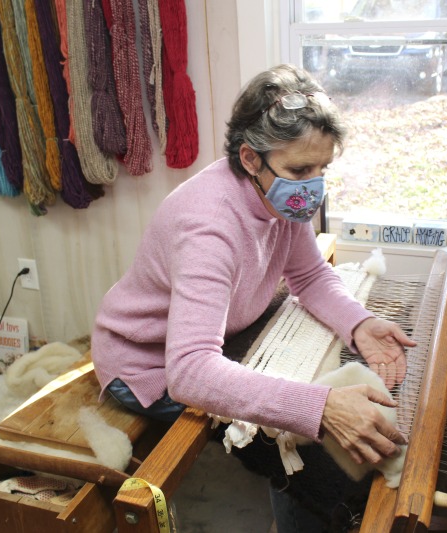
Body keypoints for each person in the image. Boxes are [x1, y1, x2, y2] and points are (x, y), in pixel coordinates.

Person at [91, 64, 416, 532]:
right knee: (289, 440)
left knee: (303, 403)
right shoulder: (208, 227)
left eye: (322, 168)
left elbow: (308, 275)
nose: (313, 185)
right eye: (301, 170)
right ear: (249, 159)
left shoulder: (281, 197)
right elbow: (190, 372)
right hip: (147, 364)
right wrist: (320, 408)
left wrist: (359, 323)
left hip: (219, 335)